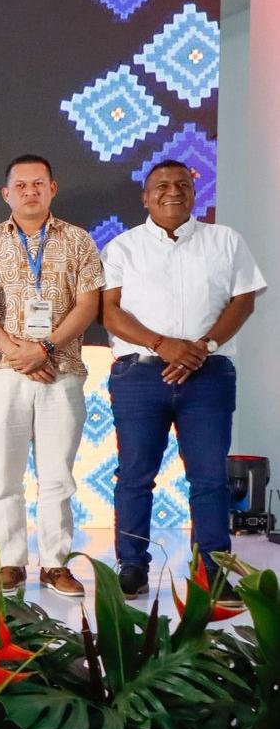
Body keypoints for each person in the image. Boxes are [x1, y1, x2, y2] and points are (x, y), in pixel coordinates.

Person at [100, 160, 264, 601]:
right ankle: (132, 567)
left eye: (181, 184)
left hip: (208, 376)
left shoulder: (225, 241)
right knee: (134, 476)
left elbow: (243, 300)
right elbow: (110, 312)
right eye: (160, 186)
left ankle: (212, 572)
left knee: (210, 478)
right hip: (139, 376)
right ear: (145, 196)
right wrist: (163, 344)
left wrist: (201, 349)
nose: (171, 192)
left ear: (195, 192)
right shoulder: (122, 248)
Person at [0, 155, 101, 598]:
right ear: (6, 193)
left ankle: (55, 563)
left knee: (56, 475)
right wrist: (16, 351)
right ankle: (10, 561)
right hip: (2, 371)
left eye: (38, 184)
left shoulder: (79, 240)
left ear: (53, 188)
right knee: (4, 475)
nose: (30, 191)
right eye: (21, 185)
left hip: (61, 371)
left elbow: (88, 304)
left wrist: (44, 348)